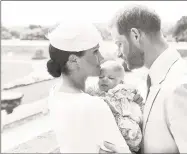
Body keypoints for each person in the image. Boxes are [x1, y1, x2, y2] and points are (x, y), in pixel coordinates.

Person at [100, 4, 187, 153]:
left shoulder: (181, 88)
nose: (118, 53)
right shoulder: (151, 80)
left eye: (119, 44)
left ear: (135, 35)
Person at [46, 21, 141, 153]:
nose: (101, 58)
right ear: (74, 60)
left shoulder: (55, 92)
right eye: (95, 52)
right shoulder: (94, 105)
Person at [86, 60, 144, 153]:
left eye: (111, 77)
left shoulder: (124, 92)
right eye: (101, 77)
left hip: (126, 130)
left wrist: (137, 101)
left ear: (121, 82)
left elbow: (137, 110)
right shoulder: (96, 92)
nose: (104, 79)